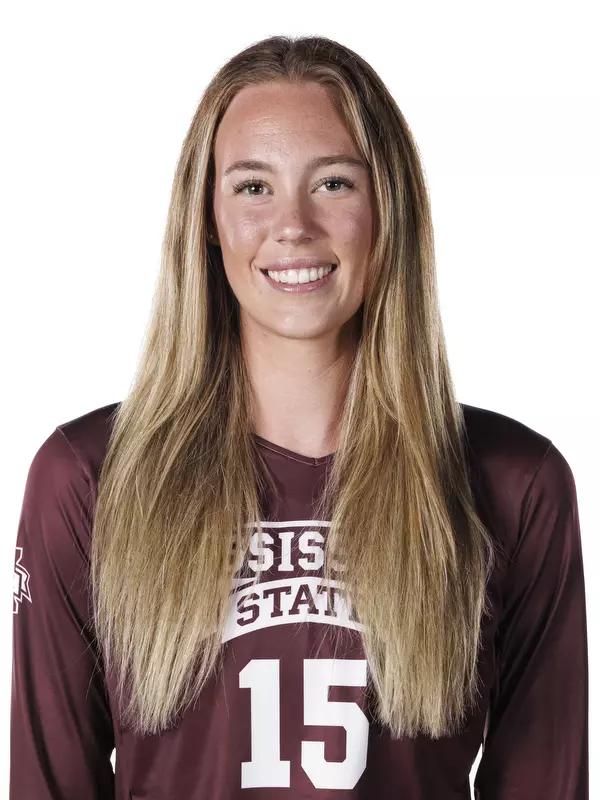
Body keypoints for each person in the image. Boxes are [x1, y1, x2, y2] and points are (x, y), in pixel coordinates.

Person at [10, 34, 588, 799]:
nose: (293, 225)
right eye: (253, 186)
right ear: (207, 217)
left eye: (334, 184)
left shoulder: (515, 485)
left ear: (390, 210)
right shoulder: (87, 480)